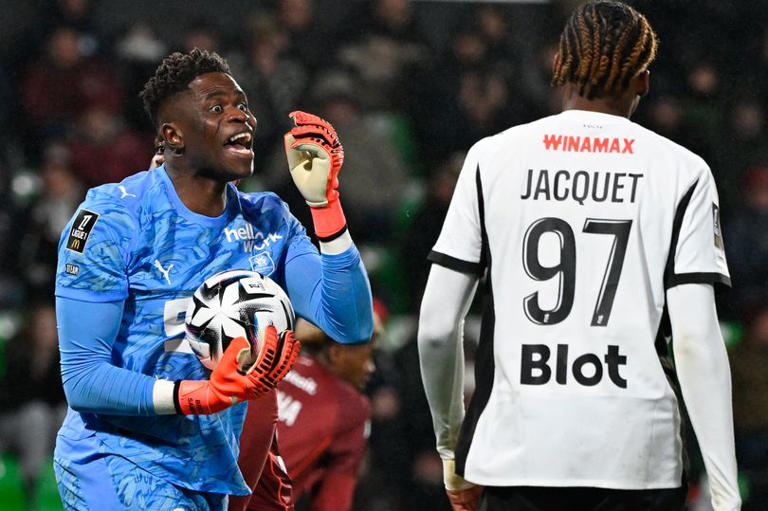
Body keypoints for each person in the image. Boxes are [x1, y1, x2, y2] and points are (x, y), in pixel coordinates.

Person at [417, 2, 741, 511]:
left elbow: (436, 327)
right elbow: (697, 340)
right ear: (643, 81)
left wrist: (451, 447)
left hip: (516, 448)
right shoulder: (684, 172)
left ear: (560, 67)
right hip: (637, 455)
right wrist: (725, 494)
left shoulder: (491, 158)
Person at [53, 48, 373, 510]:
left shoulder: (269, 222)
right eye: (217, 107)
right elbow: (83, 380)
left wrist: (326, 206)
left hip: (209, 472)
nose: (240, 117)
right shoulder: (113, 218)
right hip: (118, 458)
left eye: (242, 106)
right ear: (172, 136)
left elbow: (351, 325)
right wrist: (200, 394)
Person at [232, 308, 381, 511]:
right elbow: (333, 501)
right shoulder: (351, 406)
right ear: (336, 352)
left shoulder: (267, 363)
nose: (370, 367)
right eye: (367, 355)